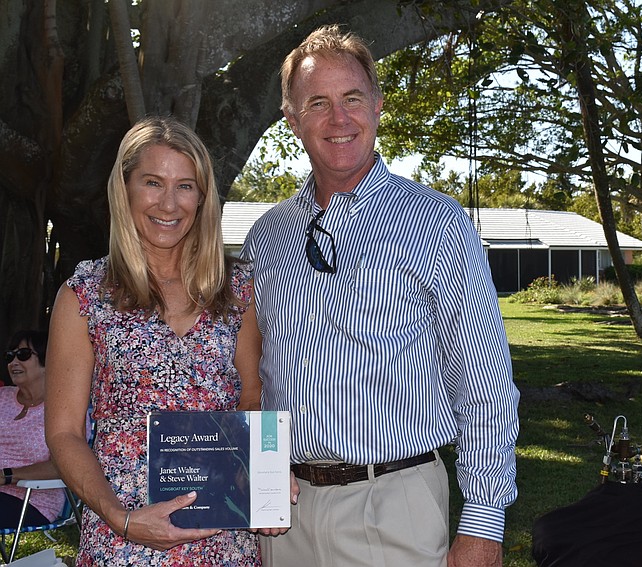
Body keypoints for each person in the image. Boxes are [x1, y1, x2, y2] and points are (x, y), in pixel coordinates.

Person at [241, 24, 520, 567]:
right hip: (286, 516)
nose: (338, 119)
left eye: (352, 98)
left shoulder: (436, 222)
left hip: (394, 507)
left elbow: (483, 381)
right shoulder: (267, 236)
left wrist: (483, 524)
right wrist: (256, 471)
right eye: (317, 103)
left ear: (377, 104)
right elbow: (251, 371)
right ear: (292, 120)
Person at [44, 116, 269, 565]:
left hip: (223, 537)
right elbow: (64, 433)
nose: (169, 203)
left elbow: (252, 398)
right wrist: (120, 518)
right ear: (124, 188)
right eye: (152, 182)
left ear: (202, 197)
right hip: (124, 539)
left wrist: (264, 480)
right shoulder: (85, 295)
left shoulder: (237, 289)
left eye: (185, 186)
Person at [1, 330, 64, 529]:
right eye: (10, 356)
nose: (13, 362)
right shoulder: (2, 397)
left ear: (48, 361)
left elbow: (65, 465)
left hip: (33, 501)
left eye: (23, 355)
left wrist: (7, 475)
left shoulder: (62, 408)